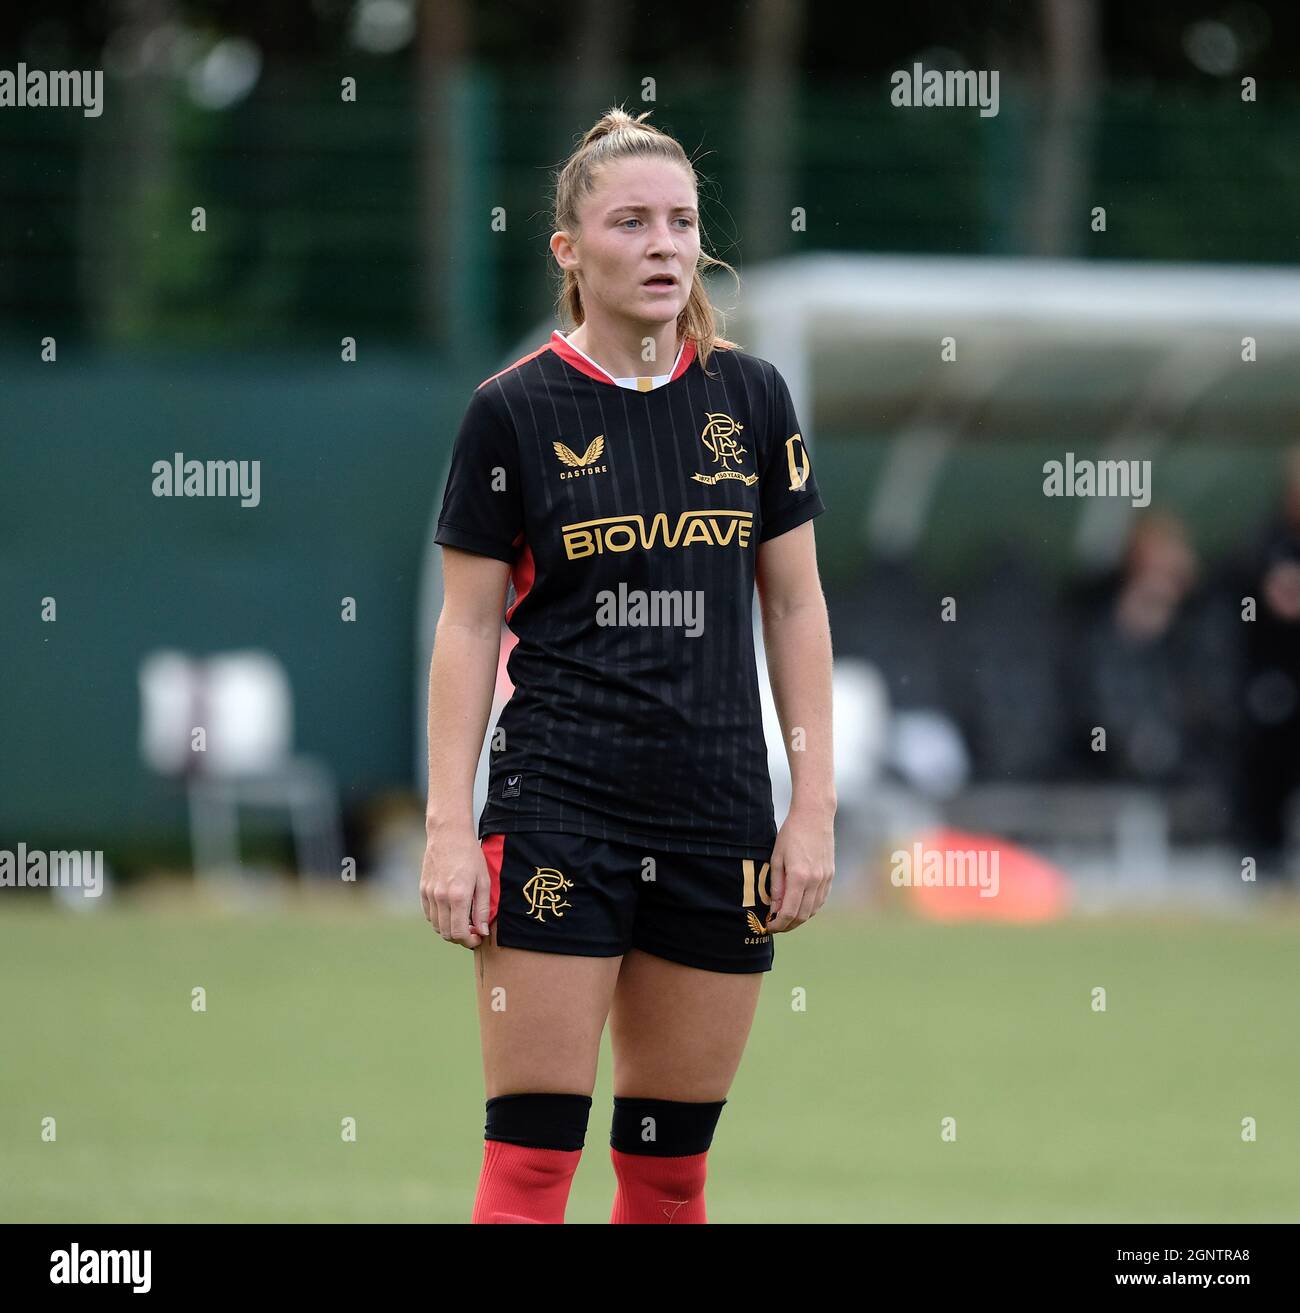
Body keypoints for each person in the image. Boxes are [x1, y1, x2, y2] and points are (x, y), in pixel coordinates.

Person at [421, 106, 835, 1224]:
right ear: (569, 251)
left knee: (665, 1172)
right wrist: (449, 826)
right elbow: (465, 627)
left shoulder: (749, 399)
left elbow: (794, 603)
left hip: (717, 816)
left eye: (683, 222)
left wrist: (813, 808)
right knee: (530, 1164)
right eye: (632, 221)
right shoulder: (509, 412)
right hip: (560, 806)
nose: (664, 244)